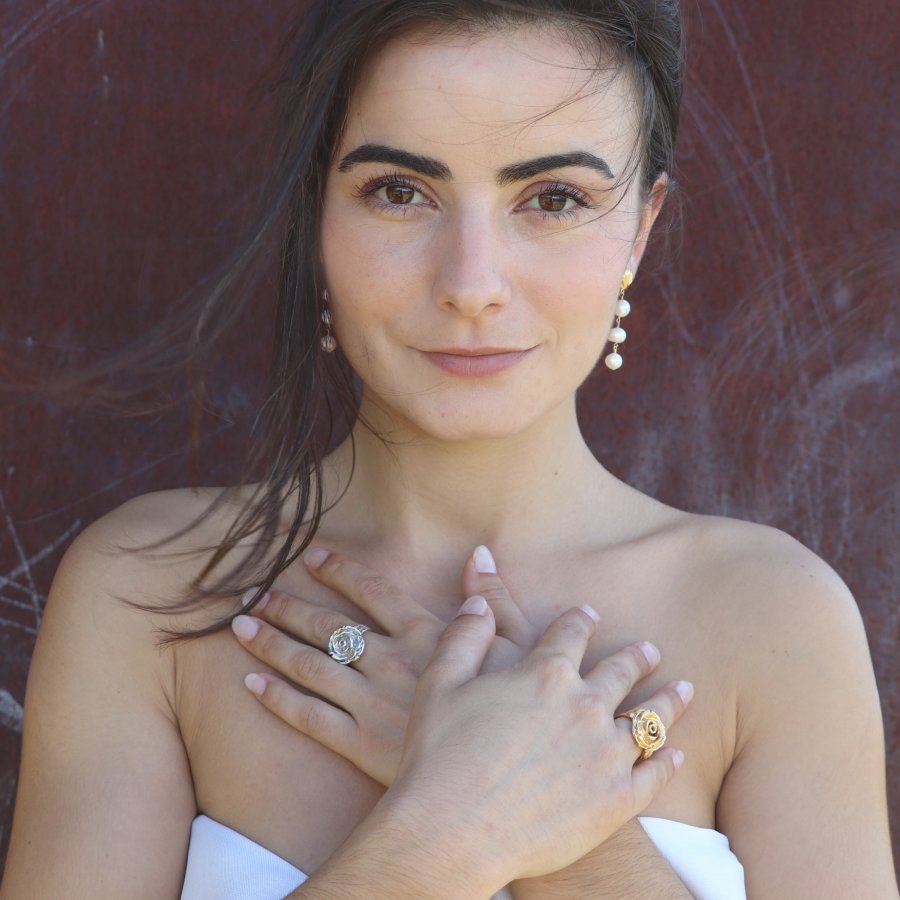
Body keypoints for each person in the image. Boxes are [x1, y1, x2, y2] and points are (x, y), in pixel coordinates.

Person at [0, 1, 895, 898]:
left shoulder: (777, 620)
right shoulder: (153, 594)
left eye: (554, 199)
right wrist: (440, 830)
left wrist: (554, 804)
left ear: (642, 225)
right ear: (316, 209)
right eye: (399, 191)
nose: (471, 284)